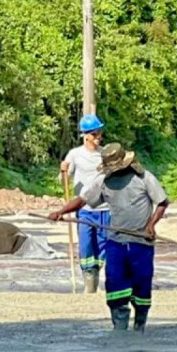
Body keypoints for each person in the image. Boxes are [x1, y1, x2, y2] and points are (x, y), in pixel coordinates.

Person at [50, 144, 169, 332]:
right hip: (116, 242)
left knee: (141, 283)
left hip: (140, 243)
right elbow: (83, 200)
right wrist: (60, 212)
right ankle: (119, 328)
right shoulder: (103, 181)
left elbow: (162, 202)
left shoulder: (144, 178)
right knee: (115, 284)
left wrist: (151, 225)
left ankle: (140, 325)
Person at [60, 114, 110, 294]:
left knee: (104, 247)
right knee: (87, 246)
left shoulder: (105, 154)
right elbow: (64, 179)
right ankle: (89, 286)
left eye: (99, 134)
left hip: (104, 208)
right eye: (95, 134)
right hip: (84, 209)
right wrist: (63, 171)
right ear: (86, 135)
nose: (99, 137)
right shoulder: (75, 155)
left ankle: (97, 276)